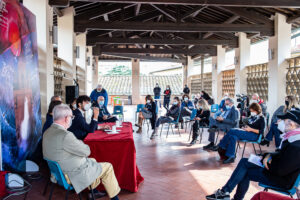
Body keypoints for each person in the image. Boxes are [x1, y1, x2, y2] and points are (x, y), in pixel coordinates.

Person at [206, 110, 300, 200]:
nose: (278, 122)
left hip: (281, 179)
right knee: (244, 162)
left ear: (291, 124)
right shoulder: (292, 138)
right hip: (276, 170)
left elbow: (281, 170)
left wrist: (266, 161)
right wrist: (267, 156)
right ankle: (225, 193)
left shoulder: (296, 145)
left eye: (282, 120)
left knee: (245, 171)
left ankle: (225, 193)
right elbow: (281, 154)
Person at [43, 104, 120, 200]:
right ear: (66, 118)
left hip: (57, 173)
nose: (72, 119)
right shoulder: (66, 135)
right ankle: (115, 198)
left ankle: (93, 191)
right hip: (71, 174)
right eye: (72, 117)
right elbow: (86, 151)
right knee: (108, 167)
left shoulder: (47, 132)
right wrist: (79, 142)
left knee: (93, 160)